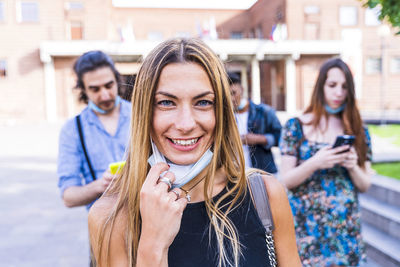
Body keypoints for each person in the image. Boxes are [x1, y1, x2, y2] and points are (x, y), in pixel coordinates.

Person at [88, 38, 301, 267]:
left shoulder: (265, 195)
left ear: (221, 112)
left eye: (203, 102)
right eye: (167, 102)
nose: (186, 123)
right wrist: (153, 245)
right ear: (144, 112)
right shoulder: (110, 217)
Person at [279, 58, 373, 266]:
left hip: (345, 228)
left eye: (344, 87)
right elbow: (286, 180)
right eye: (332, 85)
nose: (339, 93)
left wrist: (353, 166)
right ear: (321, 86)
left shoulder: (358, 130)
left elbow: (365, 184)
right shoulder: (296, 127)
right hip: (306, 228)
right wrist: (316, 162)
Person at [57, 50, 131, 209]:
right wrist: (100, 186)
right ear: (83, 90)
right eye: (95, 89)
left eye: (109, 85)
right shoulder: (72, 130)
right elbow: (68, 197)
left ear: (117, 80)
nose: (104, 95)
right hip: (104, 228)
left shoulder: (140, 114)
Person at [228, 72, 281, 174]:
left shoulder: (264, 111)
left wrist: (258, 139)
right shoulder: (221, 116)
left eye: (233, 93)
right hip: (233, 175)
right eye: (226, 94)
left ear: (242, 90)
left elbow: (281, 138)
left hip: (261, 172)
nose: (231, 98)